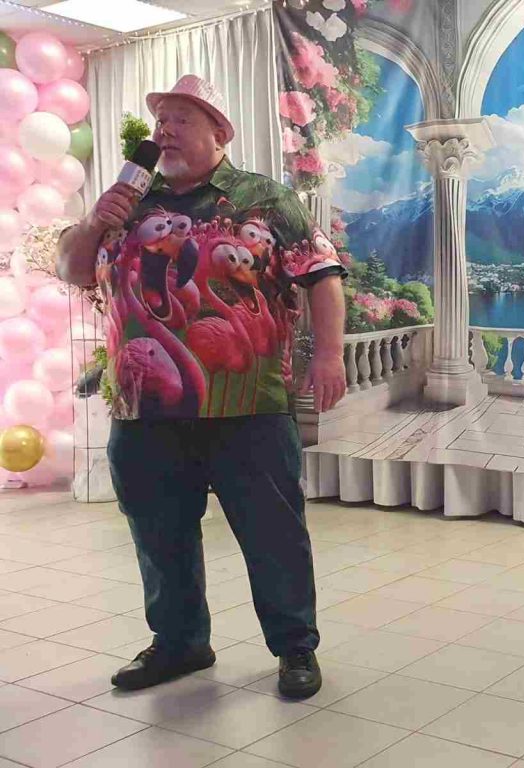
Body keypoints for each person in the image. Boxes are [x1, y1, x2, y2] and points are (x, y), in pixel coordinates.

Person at [57, 75, 348, 700]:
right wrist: (95, 220)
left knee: (272, 533)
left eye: (180, 119)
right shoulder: (130, 202)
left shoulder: (265, 199)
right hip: (142, 406)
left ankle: (295, 645)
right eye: (159, 120)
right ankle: (179, 642)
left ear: (219, 132)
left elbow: (322, 274)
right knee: (158, 534)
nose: (164, 131)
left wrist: (329, 355)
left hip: (248, 406)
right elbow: (72, 269)